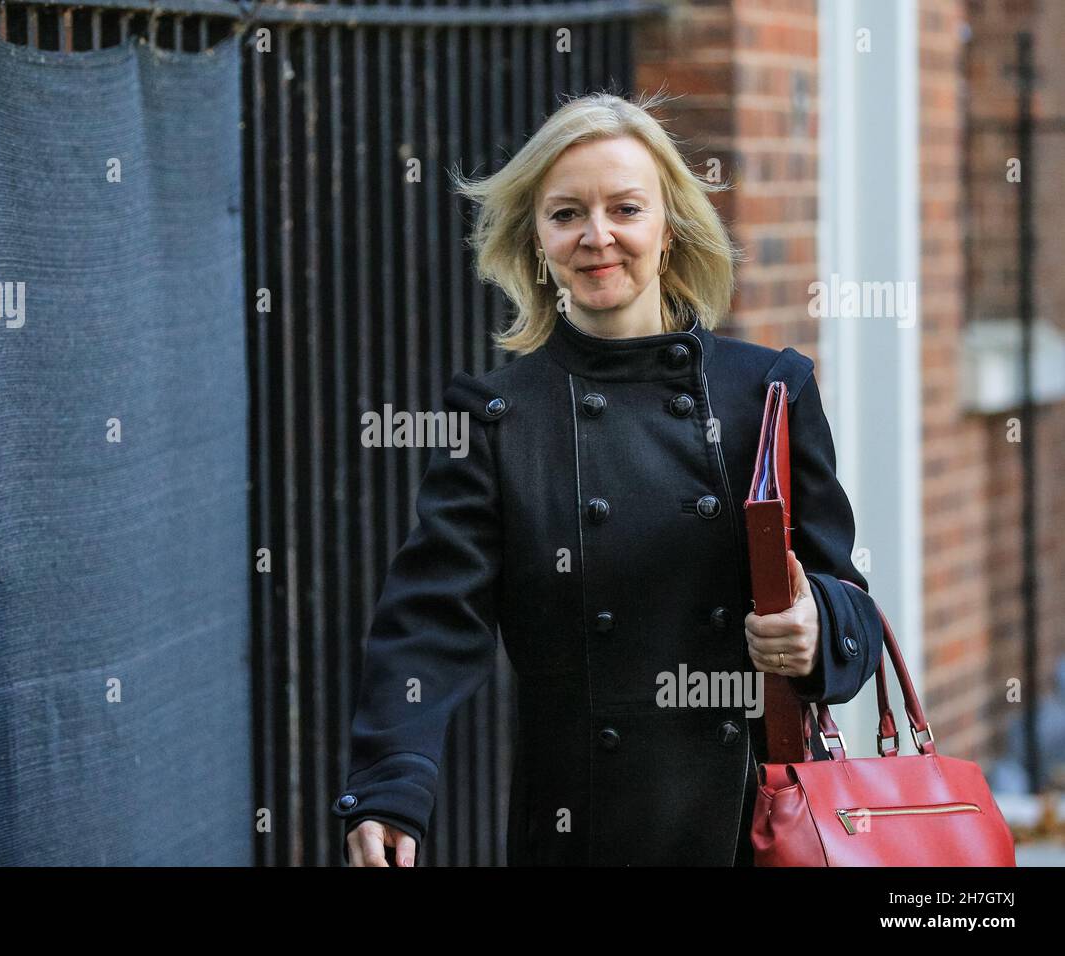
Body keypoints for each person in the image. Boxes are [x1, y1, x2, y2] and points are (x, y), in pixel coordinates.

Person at [332, 91, 884, 866]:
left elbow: (848, 601)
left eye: (625, 208)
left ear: (668, 231)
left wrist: (817, 624)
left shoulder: (768, 394)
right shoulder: (496, 418)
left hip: (757, 829)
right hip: (582, 832)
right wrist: (392, 780)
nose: (598, 237)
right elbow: (428, 621)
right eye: (566, 215)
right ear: (537, 242)